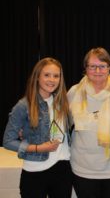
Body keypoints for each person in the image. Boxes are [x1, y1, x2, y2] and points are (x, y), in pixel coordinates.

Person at [3, 57, 72, 198]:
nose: (51, 80)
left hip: (62, 170)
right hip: (35, 171)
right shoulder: (23, 105)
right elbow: (8, 141)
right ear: (37, 77)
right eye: (47, 75)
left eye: (56, 76)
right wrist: (38, 148)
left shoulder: (63, 102)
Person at [68, 47, 110, 198]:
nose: (97, 70)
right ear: (85, 68)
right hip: (82, 169)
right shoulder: (73, 93)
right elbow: (62, 124)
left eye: (102, 66)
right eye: (92, 66)